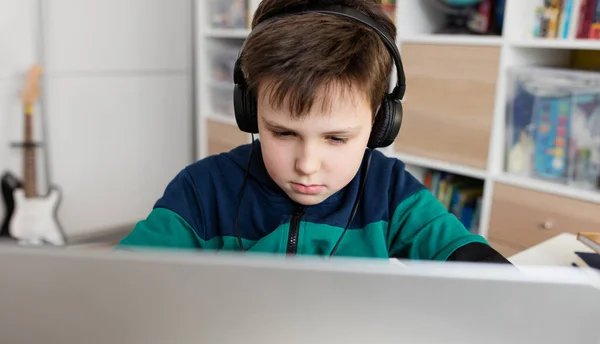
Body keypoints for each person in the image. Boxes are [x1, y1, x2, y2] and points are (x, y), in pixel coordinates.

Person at [118, 0, 509, 263]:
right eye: (283, 133)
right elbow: (121, 278)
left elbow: (466, 258)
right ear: (250, 111)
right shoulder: (203, 191)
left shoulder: (389, 193)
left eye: (336, 139)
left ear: (379, 122)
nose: (307, 165)